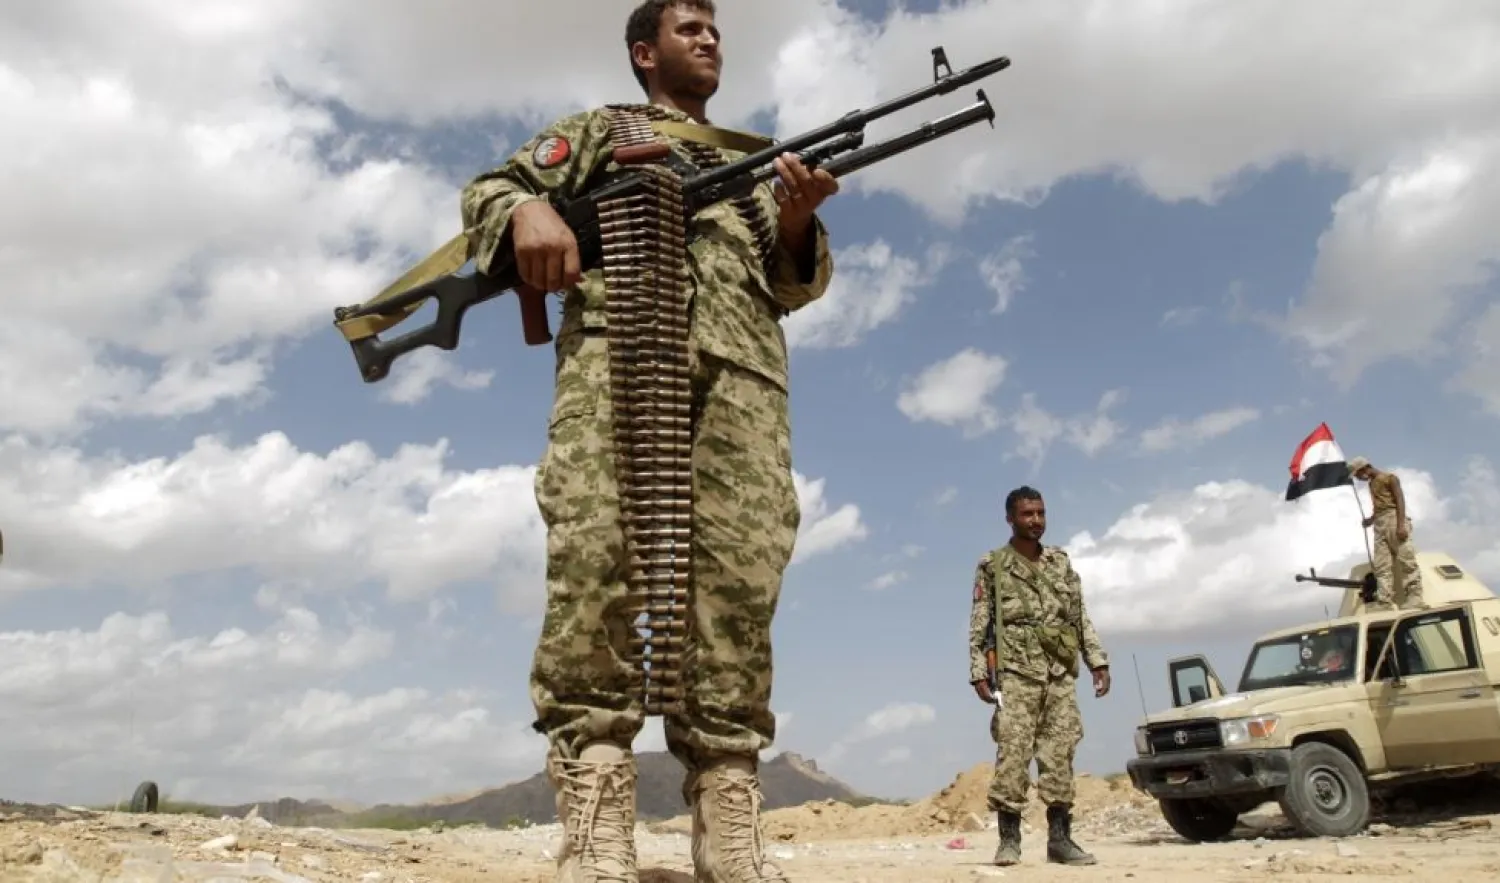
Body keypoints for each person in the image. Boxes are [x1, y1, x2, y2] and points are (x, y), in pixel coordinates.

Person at [459, 1, 837, 880]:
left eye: (715, 28)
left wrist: (795, 218)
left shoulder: (751, 167)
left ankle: (727, 814)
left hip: (744, 383)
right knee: (598, 562)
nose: (709, 38)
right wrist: (527, 210)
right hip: (619, 359)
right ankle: (595, 810)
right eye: (688, 28)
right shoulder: (604, 130)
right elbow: (489, 190)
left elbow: (795, 284)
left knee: (739, 582)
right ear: (644, 52)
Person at [967, 486, 1110, 867]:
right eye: (1027, 514)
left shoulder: (1060, 562)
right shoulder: (993, 565)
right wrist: (978, 670)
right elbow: (980, 621)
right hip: (1015, 673)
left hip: (1059, 672)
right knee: (1013, 755)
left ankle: (1060, 840)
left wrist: (1097, 661)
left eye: (1040, 513)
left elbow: (1079, 615)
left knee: (1060, 753)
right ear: (1010, 519)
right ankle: (1009, 841)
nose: (1036, 520)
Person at [1348, 456, 1426, 610]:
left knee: (1406, 560)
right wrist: (1371, 520)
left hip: (1394, 519)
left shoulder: (1389, 478)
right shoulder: (1371, 484)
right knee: (1382, 565)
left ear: (1365, 469)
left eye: (1358, 474)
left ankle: (1415, 597)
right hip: (1379, 523)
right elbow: (1380, 505)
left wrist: (1401, 525)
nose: (1358, 478)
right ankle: (1384, 600)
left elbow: (1399, 500)